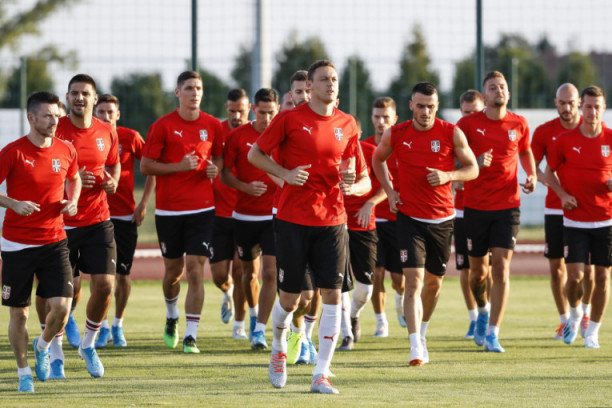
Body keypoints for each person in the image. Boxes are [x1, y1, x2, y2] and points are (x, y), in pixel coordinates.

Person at [248, 60, 370, 394]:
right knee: (290, 300)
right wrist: (285, 174)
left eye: (335, 79)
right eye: (324, 79)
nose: (331, 84)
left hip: (333, 221)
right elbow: (255, 155)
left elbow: (363, 179)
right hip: (293, 220)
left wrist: (352, 187)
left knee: (331, 295)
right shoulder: (289, 119)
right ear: (310, 86)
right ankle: (278, 346)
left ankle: (321, 374)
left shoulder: (348, 124)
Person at [373, 82, 478, 366]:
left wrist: (448, 176)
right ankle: (414, 345)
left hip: (442, 220)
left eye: (431, 106)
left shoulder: (451, 132)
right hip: (409, 219)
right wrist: (390, 191)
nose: (425, 112)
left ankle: (422, 332)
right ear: (411, 106)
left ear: (437, 106)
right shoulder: (397, 133)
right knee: (413, 282)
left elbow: (473, 169)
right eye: (420, 106)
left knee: (434, 284)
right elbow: (378, 159)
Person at [0, 92, 80, 391]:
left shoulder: (66, 149)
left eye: (57, 115)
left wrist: (73, 200)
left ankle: (43, 345)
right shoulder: (13, 152)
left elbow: (75, 178)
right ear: (31, 118)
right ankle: (23, 373)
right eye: (47, 116)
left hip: (54, 240)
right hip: (17, 245)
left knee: (62, 308)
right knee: (19, 313)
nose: (54, 121)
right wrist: (13, 203)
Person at [141, 71, 224, 354]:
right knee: (173, 273)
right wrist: (178, 166)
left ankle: (191, 336)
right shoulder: (162, 126)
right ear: (178, 93)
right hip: (169, 212)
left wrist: (215, 169)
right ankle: (171, 314)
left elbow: (219, 158)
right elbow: (146, 166)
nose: (194, 92)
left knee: (196, 269)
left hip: (202, 209)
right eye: (189, 88)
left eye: (198, 88)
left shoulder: (213, 125)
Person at [457, 70, 537, 352]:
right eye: (493, 87)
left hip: (508, 206)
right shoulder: (467, 124)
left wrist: (531, 174)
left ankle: (493, 333)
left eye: (502, 86)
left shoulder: (519, 123)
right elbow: (453, 159)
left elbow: (525, 150)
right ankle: (482, 311)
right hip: (475, 207)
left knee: (501, 268)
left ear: (508, 93)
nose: (498, 90)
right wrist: (474, 162)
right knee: (478, 274)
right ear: (485, 95)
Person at [55, 74, 121, 377]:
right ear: (67, 97)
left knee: (106, 285)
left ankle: (88, 344)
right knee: (59, 295)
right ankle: (54, 351)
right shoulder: (56, 130)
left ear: (95, 98)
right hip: (61, 223)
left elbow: (114, 162)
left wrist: (113, 180)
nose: (79, 98)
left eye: (85, 93)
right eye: (74, 93)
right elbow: (44, 173)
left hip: (98, 219)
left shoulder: (107, 130)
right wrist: (74, 179)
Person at [545, 85, 612, 348]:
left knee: (603, 278)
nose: (592, 111)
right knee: (574, 278)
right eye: (588, 106)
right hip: (574, 221)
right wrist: (562, 195)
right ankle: (574, 316)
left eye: (597, 107)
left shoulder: (610, 138)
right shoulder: (565, 140)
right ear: (581, 107)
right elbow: (549, 173)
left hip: (605, 220)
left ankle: (592, 332)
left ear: (603, 108)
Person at [92, 94, 155, 348]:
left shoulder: (130, 137)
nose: (106, 116)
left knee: (123, 274)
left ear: (118, 114)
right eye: (102, 112)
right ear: (95, 114)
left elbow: (150, 168)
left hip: (125, 216)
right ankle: (102, 327)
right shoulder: (89, 137)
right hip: (96, 217)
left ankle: (118, 325)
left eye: (111, 112)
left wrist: (143, 204)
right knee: (100, 276)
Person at [531, 83, 594, 340]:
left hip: (587, 211)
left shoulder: (591, 130)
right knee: (557, 267)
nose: (566, 107)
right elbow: (533, 166)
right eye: (562, 103)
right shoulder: (544, 132)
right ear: (555, 103)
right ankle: (565, 321)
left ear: (579, 103)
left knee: (588, 269)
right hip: (555, 210)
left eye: (571, 102)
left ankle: (586, 315)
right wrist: (547, 182)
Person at [221, 88, 279, 350]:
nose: (266, 118)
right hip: (244, 216)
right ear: (254, 110)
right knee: (248, 273)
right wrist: (245, 187)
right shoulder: (237, 137)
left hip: (274, 215)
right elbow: (224, 174)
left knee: (270, 272)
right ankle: (253, 315)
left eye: (271, 113)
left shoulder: (284, 136)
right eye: (262, 112)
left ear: (277, 110)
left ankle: (259, 329)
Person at [210, 88, 250, 339]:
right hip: (218, 214)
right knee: (219, 276)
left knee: (242, 271)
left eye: (241, 111)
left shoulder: (257, 134)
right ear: (227, 108)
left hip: (246, 214)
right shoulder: (217, 131)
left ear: (249, 109)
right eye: (232, 111)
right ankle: (227, 293)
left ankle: (240, 325)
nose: (236, 116)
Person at [362, 97, 403, 337]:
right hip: (372, 221)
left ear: (394, 119)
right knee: (376, 273)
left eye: (386, 117)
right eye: (377, 117)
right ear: (371, 118)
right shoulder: (363, 147)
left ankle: (400, 299)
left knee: (399, 278)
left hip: (399, 221)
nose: (381, 121)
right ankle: (381, 322)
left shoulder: (402, 148)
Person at [339, 115, 379, 351]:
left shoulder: (371, 152)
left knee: (365, 288)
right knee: (341, 283)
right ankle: (347, 335)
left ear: (358, 135)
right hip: (335, 224)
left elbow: (385, 187)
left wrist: (369, 203)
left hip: (364, 225)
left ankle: (354, 314)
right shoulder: (328, 152)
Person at [454, 89, 485, 339]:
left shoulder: (490, 134)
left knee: (489, 270)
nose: (469, 117)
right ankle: (474, 318)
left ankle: (487, 315)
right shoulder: (455, 135)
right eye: (465, 113)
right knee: (466, 269)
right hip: (461, 211)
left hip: (489, 209)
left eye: (474, 112)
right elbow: (449, 171)